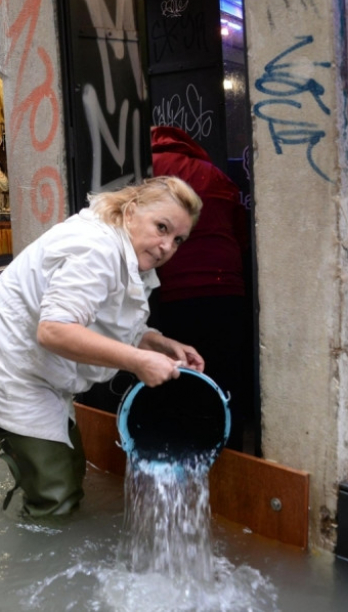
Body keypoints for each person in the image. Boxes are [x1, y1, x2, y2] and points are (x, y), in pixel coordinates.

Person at [0, 176, 205, 518]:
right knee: (57, 496)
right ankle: (37, 564)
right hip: (7, 372)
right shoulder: (95, 249)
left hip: (38, 373)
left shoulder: (125, 250)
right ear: (131, 211)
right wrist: (138, 362)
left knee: (70, 468)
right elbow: (54, 330)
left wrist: (157, 342)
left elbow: (104, 322)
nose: (167, 246)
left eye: (178, 239)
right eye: (161, 227)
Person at [149, 125, 254, 451]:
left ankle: (179, 451)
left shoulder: (149, 171)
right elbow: (242, 233)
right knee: (224, 377)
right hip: (226, 289)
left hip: (174, 291)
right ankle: (229, 451)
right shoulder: (215, 173)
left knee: (176, 374)